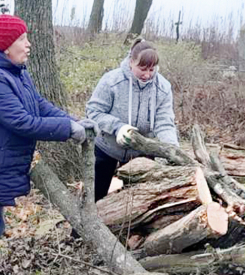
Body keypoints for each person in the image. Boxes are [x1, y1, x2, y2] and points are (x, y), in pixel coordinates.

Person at [0, 14, 98, 236]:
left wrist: (72, 121)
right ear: (6, 46)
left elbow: (40, 105)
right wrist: (67, 130)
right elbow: (22, 122)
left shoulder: (19, 73)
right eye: (22, 39)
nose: (28, 44)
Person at [86, 38, 179, 202]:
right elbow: (93, 112)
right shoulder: (112, 81)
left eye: (152, 69)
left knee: (138, 202)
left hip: (141, 151)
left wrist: (172, 151)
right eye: (142, 69)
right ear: (131, 62)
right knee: (94, 197)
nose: (147, 74)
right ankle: (81, 228)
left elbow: (164, 123)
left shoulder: (162, 88)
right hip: (107, 148)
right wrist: (118, 127)